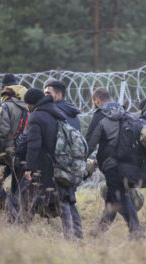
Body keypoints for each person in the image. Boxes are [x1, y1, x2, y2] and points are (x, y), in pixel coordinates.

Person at [86, 87, 144, 239]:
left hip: (111, 165)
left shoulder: (100, 115)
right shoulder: (125, 113)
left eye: (94, 102)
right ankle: (100, 229)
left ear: (97, 100)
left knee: (120, 197)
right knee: (112, 197)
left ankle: (136, 231)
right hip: (128, 164)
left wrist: (81, 158)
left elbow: (90, 142)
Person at [20, 88, 74, 239]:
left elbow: (33, 145)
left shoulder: (36, 116)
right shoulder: (58, 113)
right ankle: (70, 237)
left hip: (42, 167)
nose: (27, 108)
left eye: (28, 105)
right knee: (63, 201)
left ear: (31, 104)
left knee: (28, 198)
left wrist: (29, 167)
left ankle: (22, 234)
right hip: (60, 164)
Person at [44, 79, 83, 239]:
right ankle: (78, 234)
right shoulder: (72, 113)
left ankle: (70, 237)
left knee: (63, 200)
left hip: (59, 162)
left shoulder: (55, 112)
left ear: (58, 95)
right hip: (73, 163)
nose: (45, 96)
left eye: (48, 93)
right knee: (69, 199)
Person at [0, 74, 28, 214]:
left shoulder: (6, 106)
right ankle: (17, 215)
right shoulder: (29, 105)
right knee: (17, 187)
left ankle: (11, 211)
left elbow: (0, 134)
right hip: (25, 152)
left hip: (7, 153)